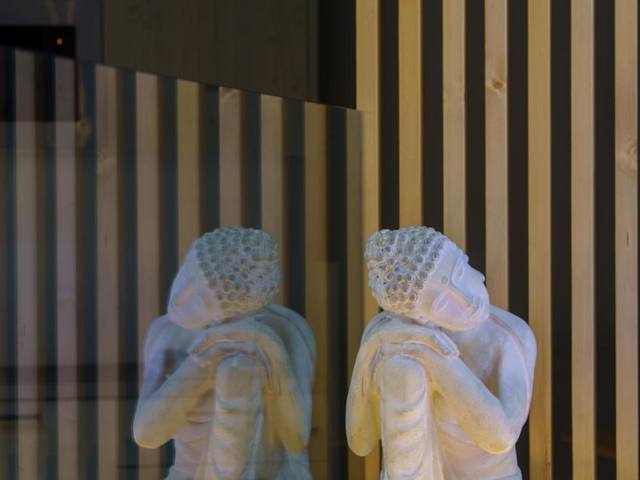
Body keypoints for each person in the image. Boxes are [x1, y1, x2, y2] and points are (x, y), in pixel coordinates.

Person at [347, 226, 536, 479]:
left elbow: (501, 438)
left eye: (461, 273)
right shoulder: (390, 333)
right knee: (400, 369)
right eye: (442, 303)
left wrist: (436, 358)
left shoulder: (508, 335)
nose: (467, 301)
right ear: (421, 318)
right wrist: (368, 352)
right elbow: (360, 443)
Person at [133, 228, 315, 480]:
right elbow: (146, 435)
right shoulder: (166, 332)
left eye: (199, 299)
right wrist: (203, 364)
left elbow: (296, 439)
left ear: (235, 310)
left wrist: (270, 347)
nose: (179, 298)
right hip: (188, 474)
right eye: (186, 275)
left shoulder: (287, 329)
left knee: (238, 369)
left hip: (266, 474)